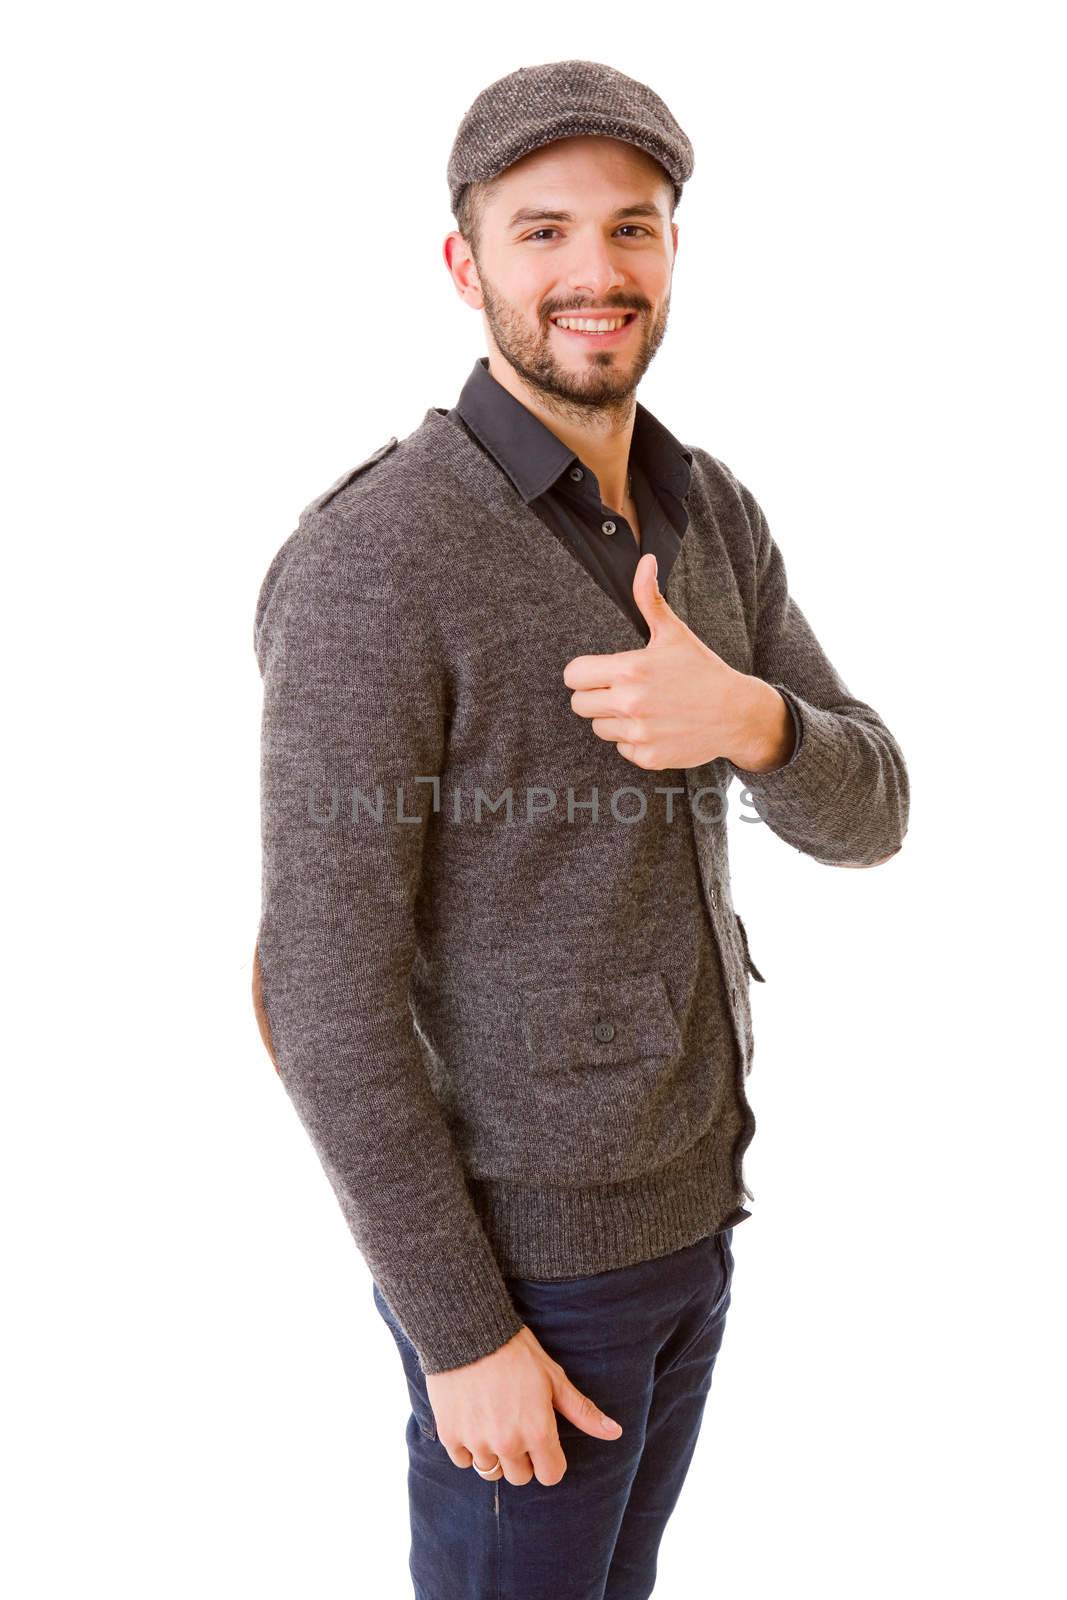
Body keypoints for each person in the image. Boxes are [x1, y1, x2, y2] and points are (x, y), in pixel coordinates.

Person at [251, 59, 910, 1599]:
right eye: (541, 232)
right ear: (464, 264)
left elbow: (872, 808)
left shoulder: (710, 510)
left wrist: (751, 720)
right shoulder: (380, 562)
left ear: (673, 252)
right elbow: (317, 992)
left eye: (634, 227)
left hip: (695, 1217)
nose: (595, 272)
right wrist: (462, 1328)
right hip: (524, 1277)